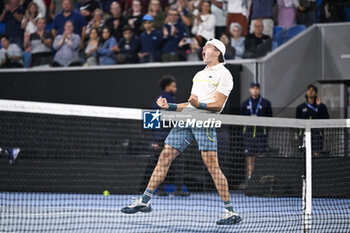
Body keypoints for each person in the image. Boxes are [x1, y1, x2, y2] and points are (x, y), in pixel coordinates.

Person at [121, 38, 243, 225]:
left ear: (217, 52)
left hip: (205, 120)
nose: (203, 49)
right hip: (187, 118)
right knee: (165, 155)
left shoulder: (224, 74)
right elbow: (189, 104)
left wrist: (198, 104)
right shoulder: (199, 74)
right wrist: (168, 106)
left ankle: (230, 211)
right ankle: (145, 201)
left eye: (207, 47)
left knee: (212, 165)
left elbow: (218, 105)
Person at [149, 76, 190, 197]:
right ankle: (169, 190)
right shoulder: (165, 100)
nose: (175, 88)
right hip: (167, 138)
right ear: (167, 87)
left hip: (167, 138)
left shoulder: (164, 99)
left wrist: (154, 139)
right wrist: (156, 140)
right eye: (173, 86)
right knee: (169, 164)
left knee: (163, 164)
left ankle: (165, 190)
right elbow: (154, 119)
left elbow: (152, 120)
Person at [240, 82, 272, 184]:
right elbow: (240, 120)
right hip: (249, 135)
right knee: (250, 157)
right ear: (250, 90)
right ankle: (250, 179)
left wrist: (265, 131)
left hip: (260, 135)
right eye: (253, 88)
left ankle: (261, 180)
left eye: (257, 88)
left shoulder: (266, 103)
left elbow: (270, 119)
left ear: (259, 90)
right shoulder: (245, 104)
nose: (255, 90)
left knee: (261, 157)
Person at [296, 84, 329, 156]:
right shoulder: (300, 107)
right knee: (305, 153)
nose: (310, 92)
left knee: (316, 153)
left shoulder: (322, 106)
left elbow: (326, 118)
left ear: (316, 93)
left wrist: (319, 106)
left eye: (312, 90)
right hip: (304, 134)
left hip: (317, 134)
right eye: (309, 90)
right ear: (306, 93)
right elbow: (297, 121)